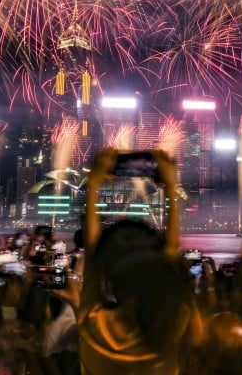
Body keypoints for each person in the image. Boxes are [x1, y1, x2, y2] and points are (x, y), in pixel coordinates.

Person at [77, 148, 202, 374]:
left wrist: (94, 183)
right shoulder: (169, 325)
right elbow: (171, 255)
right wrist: (170, 186)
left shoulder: (96, 324)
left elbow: (93, 255)